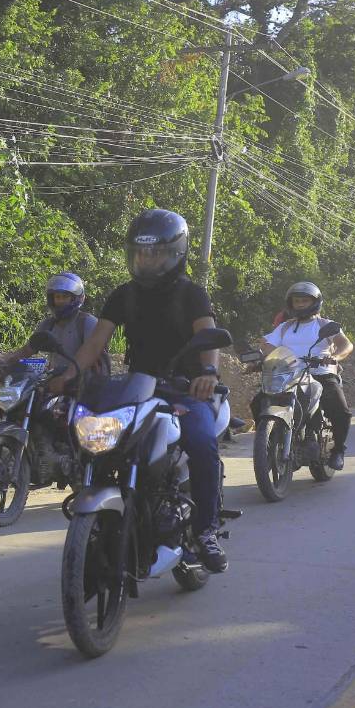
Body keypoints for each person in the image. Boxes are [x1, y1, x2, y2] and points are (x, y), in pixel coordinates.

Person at [56, 209, 228, 573]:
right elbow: (95, 344)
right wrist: (69, 373)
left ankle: (205, 531)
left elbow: (206, 336)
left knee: (200, 441)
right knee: (99, 439)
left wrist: (208, 372)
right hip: (139, 389)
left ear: (176, 252)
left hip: (186, 390)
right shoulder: (123, 296)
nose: (146, 260)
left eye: (155, 253)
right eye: (140, 253)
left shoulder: (191, 294)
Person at [259, 282, 353, 471]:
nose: (300, 304)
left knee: (340, 410)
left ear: (315, 302)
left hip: (320, 373)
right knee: (259, 400)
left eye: (304, 300)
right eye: (297, 301)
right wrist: (268, 356)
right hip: (289, 374)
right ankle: (270, 441)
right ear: (290, 304)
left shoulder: (325, 325)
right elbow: (266, 345)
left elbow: (345, 345)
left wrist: (333, 357)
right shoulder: (285, 327)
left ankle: (338, 451)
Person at [0, 272, 107, 376]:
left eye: (65, 296)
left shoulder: (87, 323)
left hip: (85, 385)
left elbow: (95, 357)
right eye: (57, 297)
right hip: (57, 384)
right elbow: (27, 350)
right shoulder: (48, 325)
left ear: (75, 299)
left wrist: (71, 376)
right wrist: (5, 360)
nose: (60, 301)